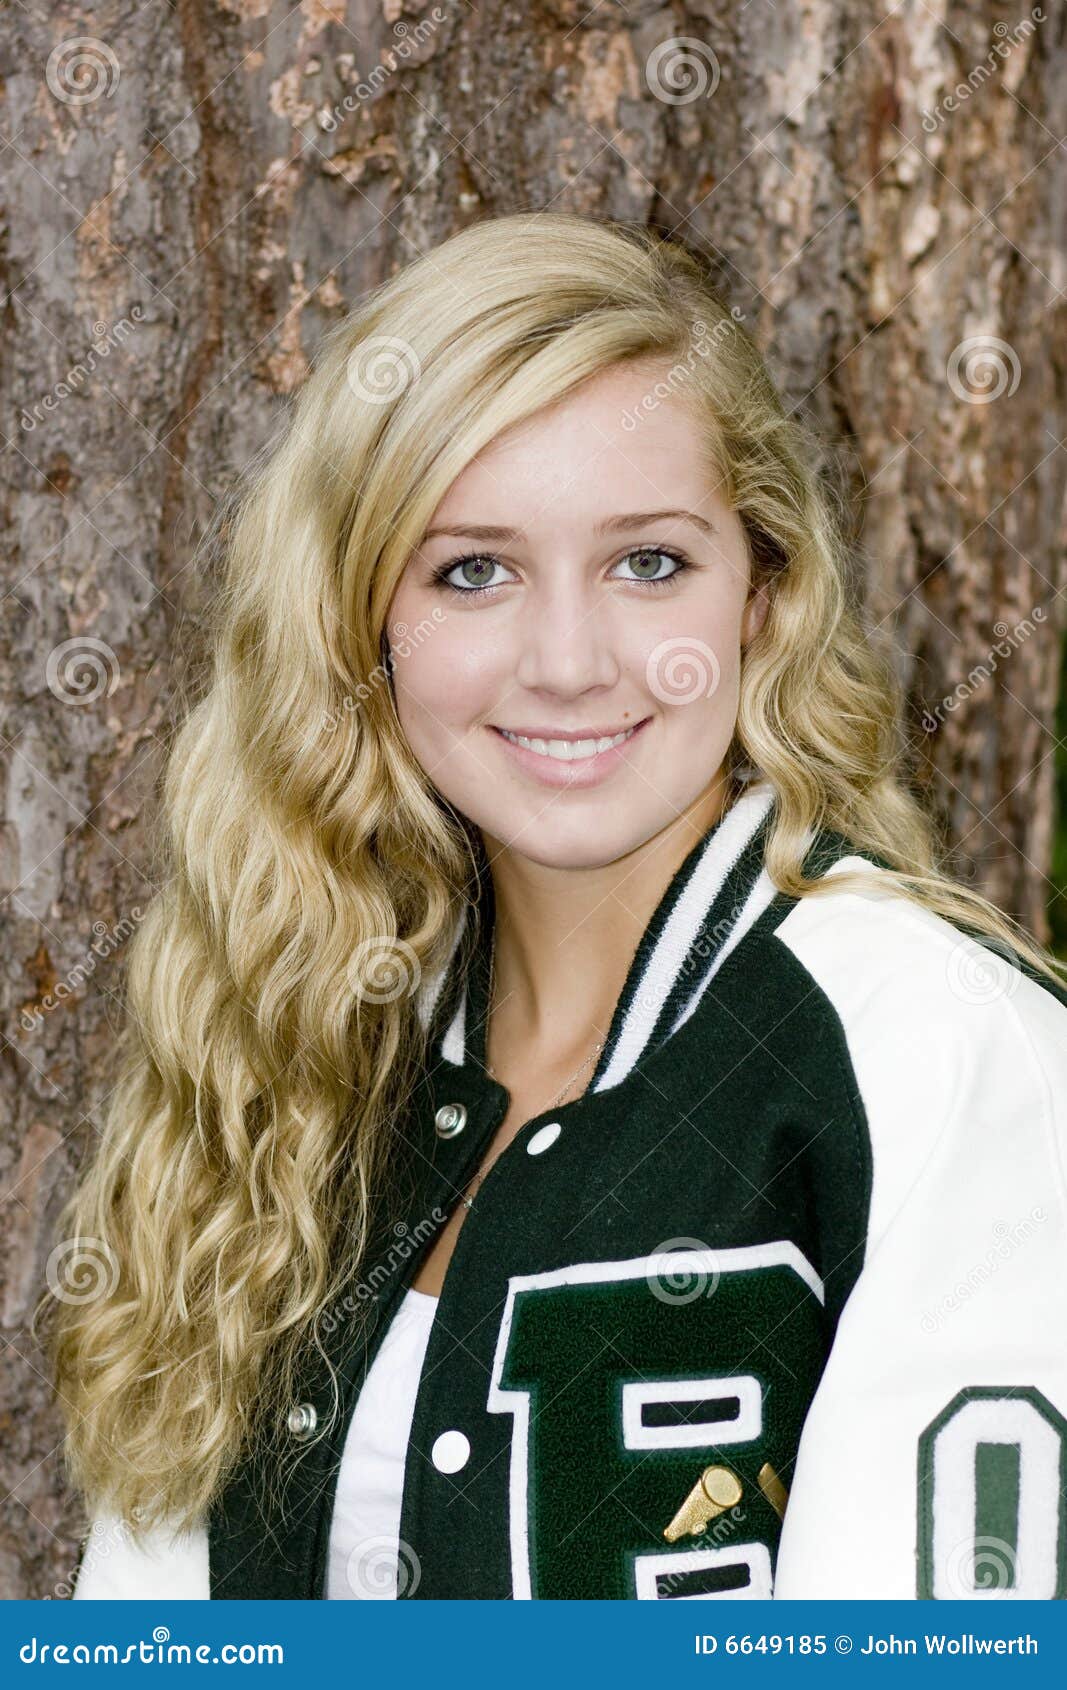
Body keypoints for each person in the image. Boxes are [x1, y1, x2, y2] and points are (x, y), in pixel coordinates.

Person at [49, 212, 1067, 1602]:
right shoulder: (300, 1040)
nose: (572, 661)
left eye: (649, 562)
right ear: (365, 625)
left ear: (760, 594)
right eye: (475, 570)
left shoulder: (939, 1050)